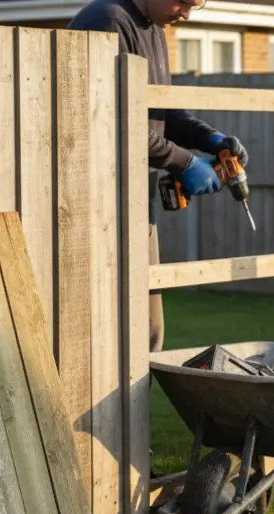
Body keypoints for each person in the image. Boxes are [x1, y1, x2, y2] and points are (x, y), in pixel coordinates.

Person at [70, 0, 249, 353]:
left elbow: (161, 112)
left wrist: (209, 139)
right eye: (183, 1)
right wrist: (183, 162)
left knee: (147, 327)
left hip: (135, 200)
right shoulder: (106, 22)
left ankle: (136, 408)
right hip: (95, 203)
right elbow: (111, 117)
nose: (185, 13)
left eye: (196, 5)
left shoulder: (155, 27)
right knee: (104, 329)